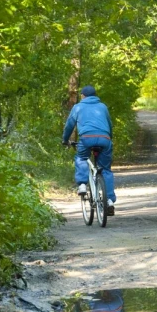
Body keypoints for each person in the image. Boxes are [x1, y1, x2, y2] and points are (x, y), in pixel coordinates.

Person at [62, 85, 116, 215]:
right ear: (95, 95)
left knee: (81, 158)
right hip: (105, 139)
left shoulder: (78, 107)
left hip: (86, 138)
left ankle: (82, 184)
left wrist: (65, 140)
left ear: (83, 96)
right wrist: (109, 139)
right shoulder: (103, 107)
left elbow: (70, 125)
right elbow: (109, 125)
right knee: (106, 170)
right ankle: (109, 200)